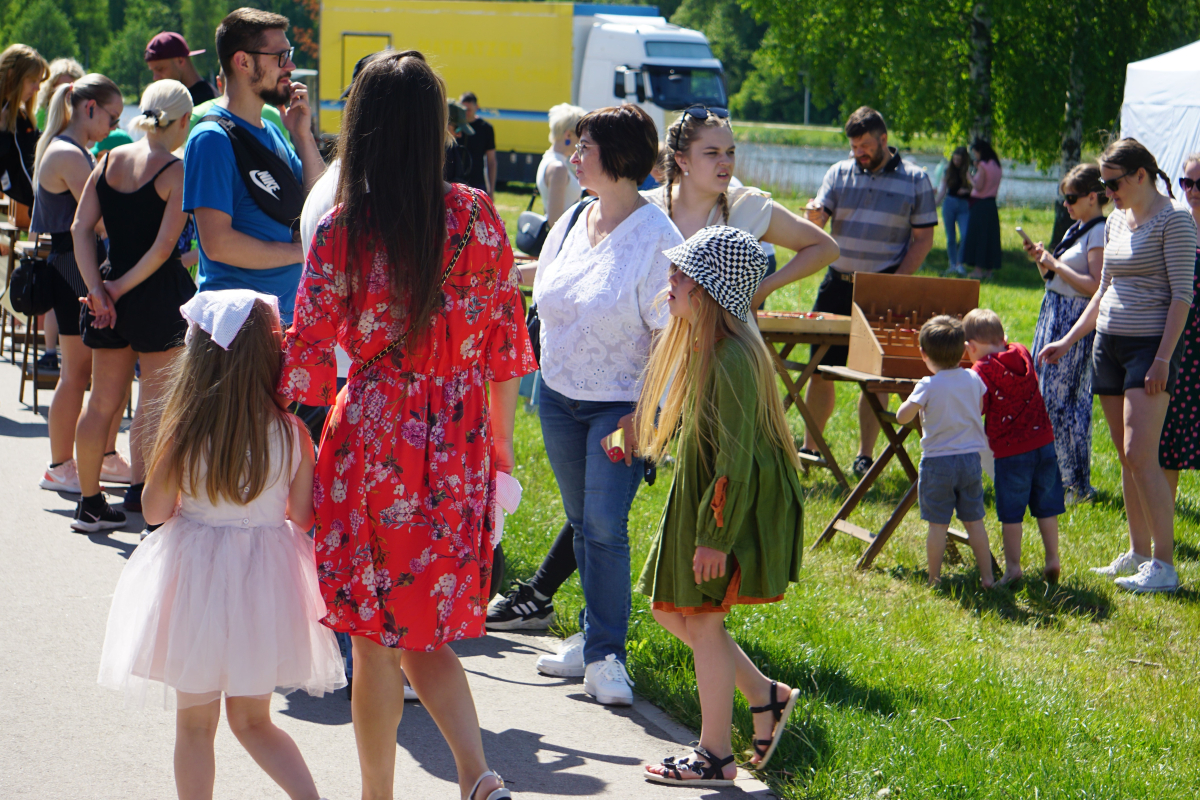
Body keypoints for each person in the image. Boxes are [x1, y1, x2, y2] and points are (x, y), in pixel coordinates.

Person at [278, 51, 532, 800]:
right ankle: (477, 778)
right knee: (425, 631)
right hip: (457, 442)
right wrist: (501, 450)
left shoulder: (341, 230)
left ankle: (377, 796)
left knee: (374, 643)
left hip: (371, 441)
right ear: (434, 128)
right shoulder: (479, 217)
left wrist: (288, 454)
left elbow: (309, 360)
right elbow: (508, 348)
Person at [487, 104, 838, 633]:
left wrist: (754, 291)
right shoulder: (637, 206)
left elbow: (822, 245)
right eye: (712, 152)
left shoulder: (746, 207)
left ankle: (674, 613)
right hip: (628, 375)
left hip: (694, 370)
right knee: (596, 511)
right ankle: (595, 610)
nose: (725, 163)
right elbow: (597, 264)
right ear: (679, 159)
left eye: (730, 152)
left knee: (625, 506)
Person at [97, 291, 345, 800]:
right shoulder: (294, 433)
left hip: (197, 581)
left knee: (194, 727)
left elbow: (154, 510)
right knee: (254, 721)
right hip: (264, 583)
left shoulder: (185, 432)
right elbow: (302, 517)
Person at [635, 227, 803, 785]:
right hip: (700, 500)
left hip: (719, 510)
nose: (671, 279)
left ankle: (715, 756)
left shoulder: (732, 359)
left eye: (682, 274)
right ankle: (763, 694)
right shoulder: (710, 349)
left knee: (704, 619)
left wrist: (716, 535)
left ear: (708, 290)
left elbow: (734, 458)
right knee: (668, 608)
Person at [527, 104, 682, 706]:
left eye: (583, 144)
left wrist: (644, 413)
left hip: (616, 407)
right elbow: (545, 296)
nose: (573, 154)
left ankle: (607, 657)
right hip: (557, 398)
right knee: (580, 522)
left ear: (618, 156)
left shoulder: (657, 238)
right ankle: (592, 639)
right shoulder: (570, 219)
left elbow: (673, 335)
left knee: (603, 527)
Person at [1039, 138, 1195, 594]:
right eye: (1104, 185)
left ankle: (1165, 566)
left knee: (1143, 454)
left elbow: (1182, 297)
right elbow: (1102, 291)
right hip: (1108, 343)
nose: (1107, 192)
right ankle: (1139, 552)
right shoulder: (1116, 223)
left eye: (1113, 183)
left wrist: (1164, 357)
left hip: (1151, 347)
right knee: (1127, 456)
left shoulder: (1176, 221)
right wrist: (1069, 341)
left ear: (1141, 175)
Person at [70, 79, 196, 531]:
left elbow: (80, 228)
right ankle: (150, 506)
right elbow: (164, 248)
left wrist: (100, 288)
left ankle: (88, 502)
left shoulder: (107, 161)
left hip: (107, 289)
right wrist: (119, 290)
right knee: (156, 404)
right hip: (155, 296)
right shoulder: (176, 171)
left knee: (101, 401)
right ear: (182, 120)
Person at [803, 106, 937, 478]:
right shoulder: (838, 172)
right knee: (818, 370)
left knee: (875, 376)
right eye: (854, 146)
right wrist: (814, 217)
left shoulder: (915, 179)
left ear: (884, 139)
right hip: (836, 285)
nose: (858, 152)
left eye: (865, 145)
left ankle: (864, 455)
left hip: (883, 288)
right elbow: (819, 219)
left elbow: (923, 239)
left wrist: (896, 282)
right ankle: (810, 449)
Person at [183, 8, 324, 327]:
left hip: (280, 322)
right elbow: (218, 245)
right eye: (281, 56)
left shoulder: (273, 130)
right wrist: (299, 253)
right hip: (237, 332)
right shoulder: (211, 139)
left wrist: (303, 137)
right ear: (243, 61)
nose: (291, 66)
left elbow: (318, 204)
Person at [31, 73, 131, 494]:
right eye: (111, 118)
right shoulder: (70, 155)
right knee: (76, 373)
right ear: (89, 108)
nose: (113, 128)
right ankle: (59, 465)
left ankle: (92, 458)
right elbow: (96, 222)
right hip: (71, 265)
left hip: (71, 263)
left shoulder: (70, 149)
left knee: (84, 372)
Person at [1024, 163, 1107, 503]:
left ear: (1093, 197)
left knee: (1065, 402)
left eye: (1072, 198)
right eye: (1064, 199)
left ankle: (1075, 484)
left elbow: (1096, 286)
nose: (1067, 205)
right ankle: (1058, 477)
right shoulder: (1078, 228)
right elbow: (1057, 279)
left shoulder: (1098, 231)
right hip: (1055, 314)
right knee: (1047, 398)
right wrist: (1042, 261)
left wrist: (1055, 263)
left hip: (1073, 321)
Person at [963, 309, 1064, 586]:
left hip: (1010, 451)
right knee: (1046, 506)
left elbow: (980, 408)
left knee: (1011, 514)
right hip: (1044, 442)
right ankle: (1053, 558)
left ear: (970, 347)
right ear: (1002, 337)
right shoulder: (1021, 351)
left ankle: (1013, 568)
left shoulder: (981, 370)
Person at [895, 315, 994, 588]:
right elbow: (981, 403)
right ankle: (987, 577)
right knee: (975, 522)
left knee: (938, 525)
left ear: (923, 354)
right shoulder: (974, 378)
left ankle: (934, 579)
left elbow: (902, 417)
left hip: (938, 463)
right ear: (963, 350)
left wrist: (908, 403)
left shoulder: (928, 384)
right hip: (970, 460)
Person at [1160, 154, 1200, 486]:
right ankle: (1164, 525)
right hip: (1181, 345)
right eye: (1187, 183)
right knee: (1169, 436)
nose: (1193, 190)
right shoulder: (1176, 225)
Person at [0, 44, 47, 208]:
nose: (37, 88)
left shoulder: (22, 118)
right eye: (33, 81)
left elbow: (31, 162)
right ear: (12, 75)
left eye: (39, 81)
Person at [535, 102, 585, 225]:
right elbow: (554, 221)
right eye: (580, 135)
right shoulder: (558, 168)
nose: (583, 142)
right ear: (568, 134)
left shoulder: (549, 159)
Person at [962, 139, 1003, 280]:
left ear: (980, 152)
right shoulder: (996, 165)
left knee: (978, 237)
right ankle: (989, 270)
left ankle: (978, 269)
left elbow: (978, 186)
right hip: (991, 204)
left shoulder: (983, 166)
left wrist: (969, 177)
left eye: (975, 153)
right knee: (990, 237)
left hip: (980, 205)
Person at [144, 31, 217, 105]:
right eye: (153, 71)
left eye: (160, 69)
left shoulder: (206, 102)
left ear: (180, 60)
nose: (155, 78)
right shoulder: (178, 98)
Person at [937, 146, 972, 276]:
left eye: (959, 160)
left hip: (964, 205)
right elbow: (942, 191)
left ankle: (960, 263)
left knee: (965, 234)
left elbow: (976, 189)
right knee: (950, 237)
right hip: (949, 203)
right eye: (955, 159)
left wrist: (966, 191)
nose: (956, 162)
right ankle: (952, 264)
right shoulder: (948, 171)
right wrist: (935, 203)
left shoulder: (969, 171)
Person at [459, 91, 496, 195]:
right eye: (463, 109)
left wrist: (491, 189)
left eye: (469, 110)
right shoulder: (452, 126)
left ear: (477, 107)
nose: (466, 113)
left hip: (476, 183)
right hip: (454, 182)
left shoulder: (486, 128)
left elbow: (491, 161)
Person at [35, 57, 81, 130]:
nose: (66, 96)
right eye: (60, 89)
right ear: (49, 90)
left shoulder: (82, 121)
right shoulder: (38, 117)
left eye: (70, 91)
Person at [445, 100, 473, 183]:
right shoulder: (429, 150)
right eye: (457, 129)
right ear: (444, 124)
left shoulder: (451, 149)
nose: (460, 135)